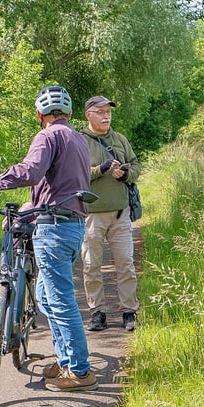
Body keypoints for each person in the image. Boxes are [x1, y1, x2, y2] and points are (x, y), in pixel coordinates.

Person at [0, 85, 98, 392]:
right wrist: (30, 208)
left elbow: (30, 172)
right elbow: (60, 186)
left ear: (39, 114)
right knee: (46, 297)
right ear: (70, 112)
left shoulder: (47, 136)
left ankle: (80, 371)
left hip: (54, 229)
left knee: (60, 300)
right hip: (72, 225)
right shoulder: (78, 140)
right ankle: (66, 361)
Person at [79, 96, 141, 332]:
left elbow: (136, 166)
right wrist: (100, 169)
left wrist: (125, 175)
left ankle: (129, 311)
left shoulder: (120, 139)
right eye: (101, 112)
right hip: (91, 215)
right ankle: (97, 312)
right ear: (88, 115)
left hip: (120, 214)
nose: (106, 116)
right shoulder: (79, 141)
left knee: (126, 264)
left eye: (108, 112)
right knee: (91, 266)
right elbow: (74, 175)